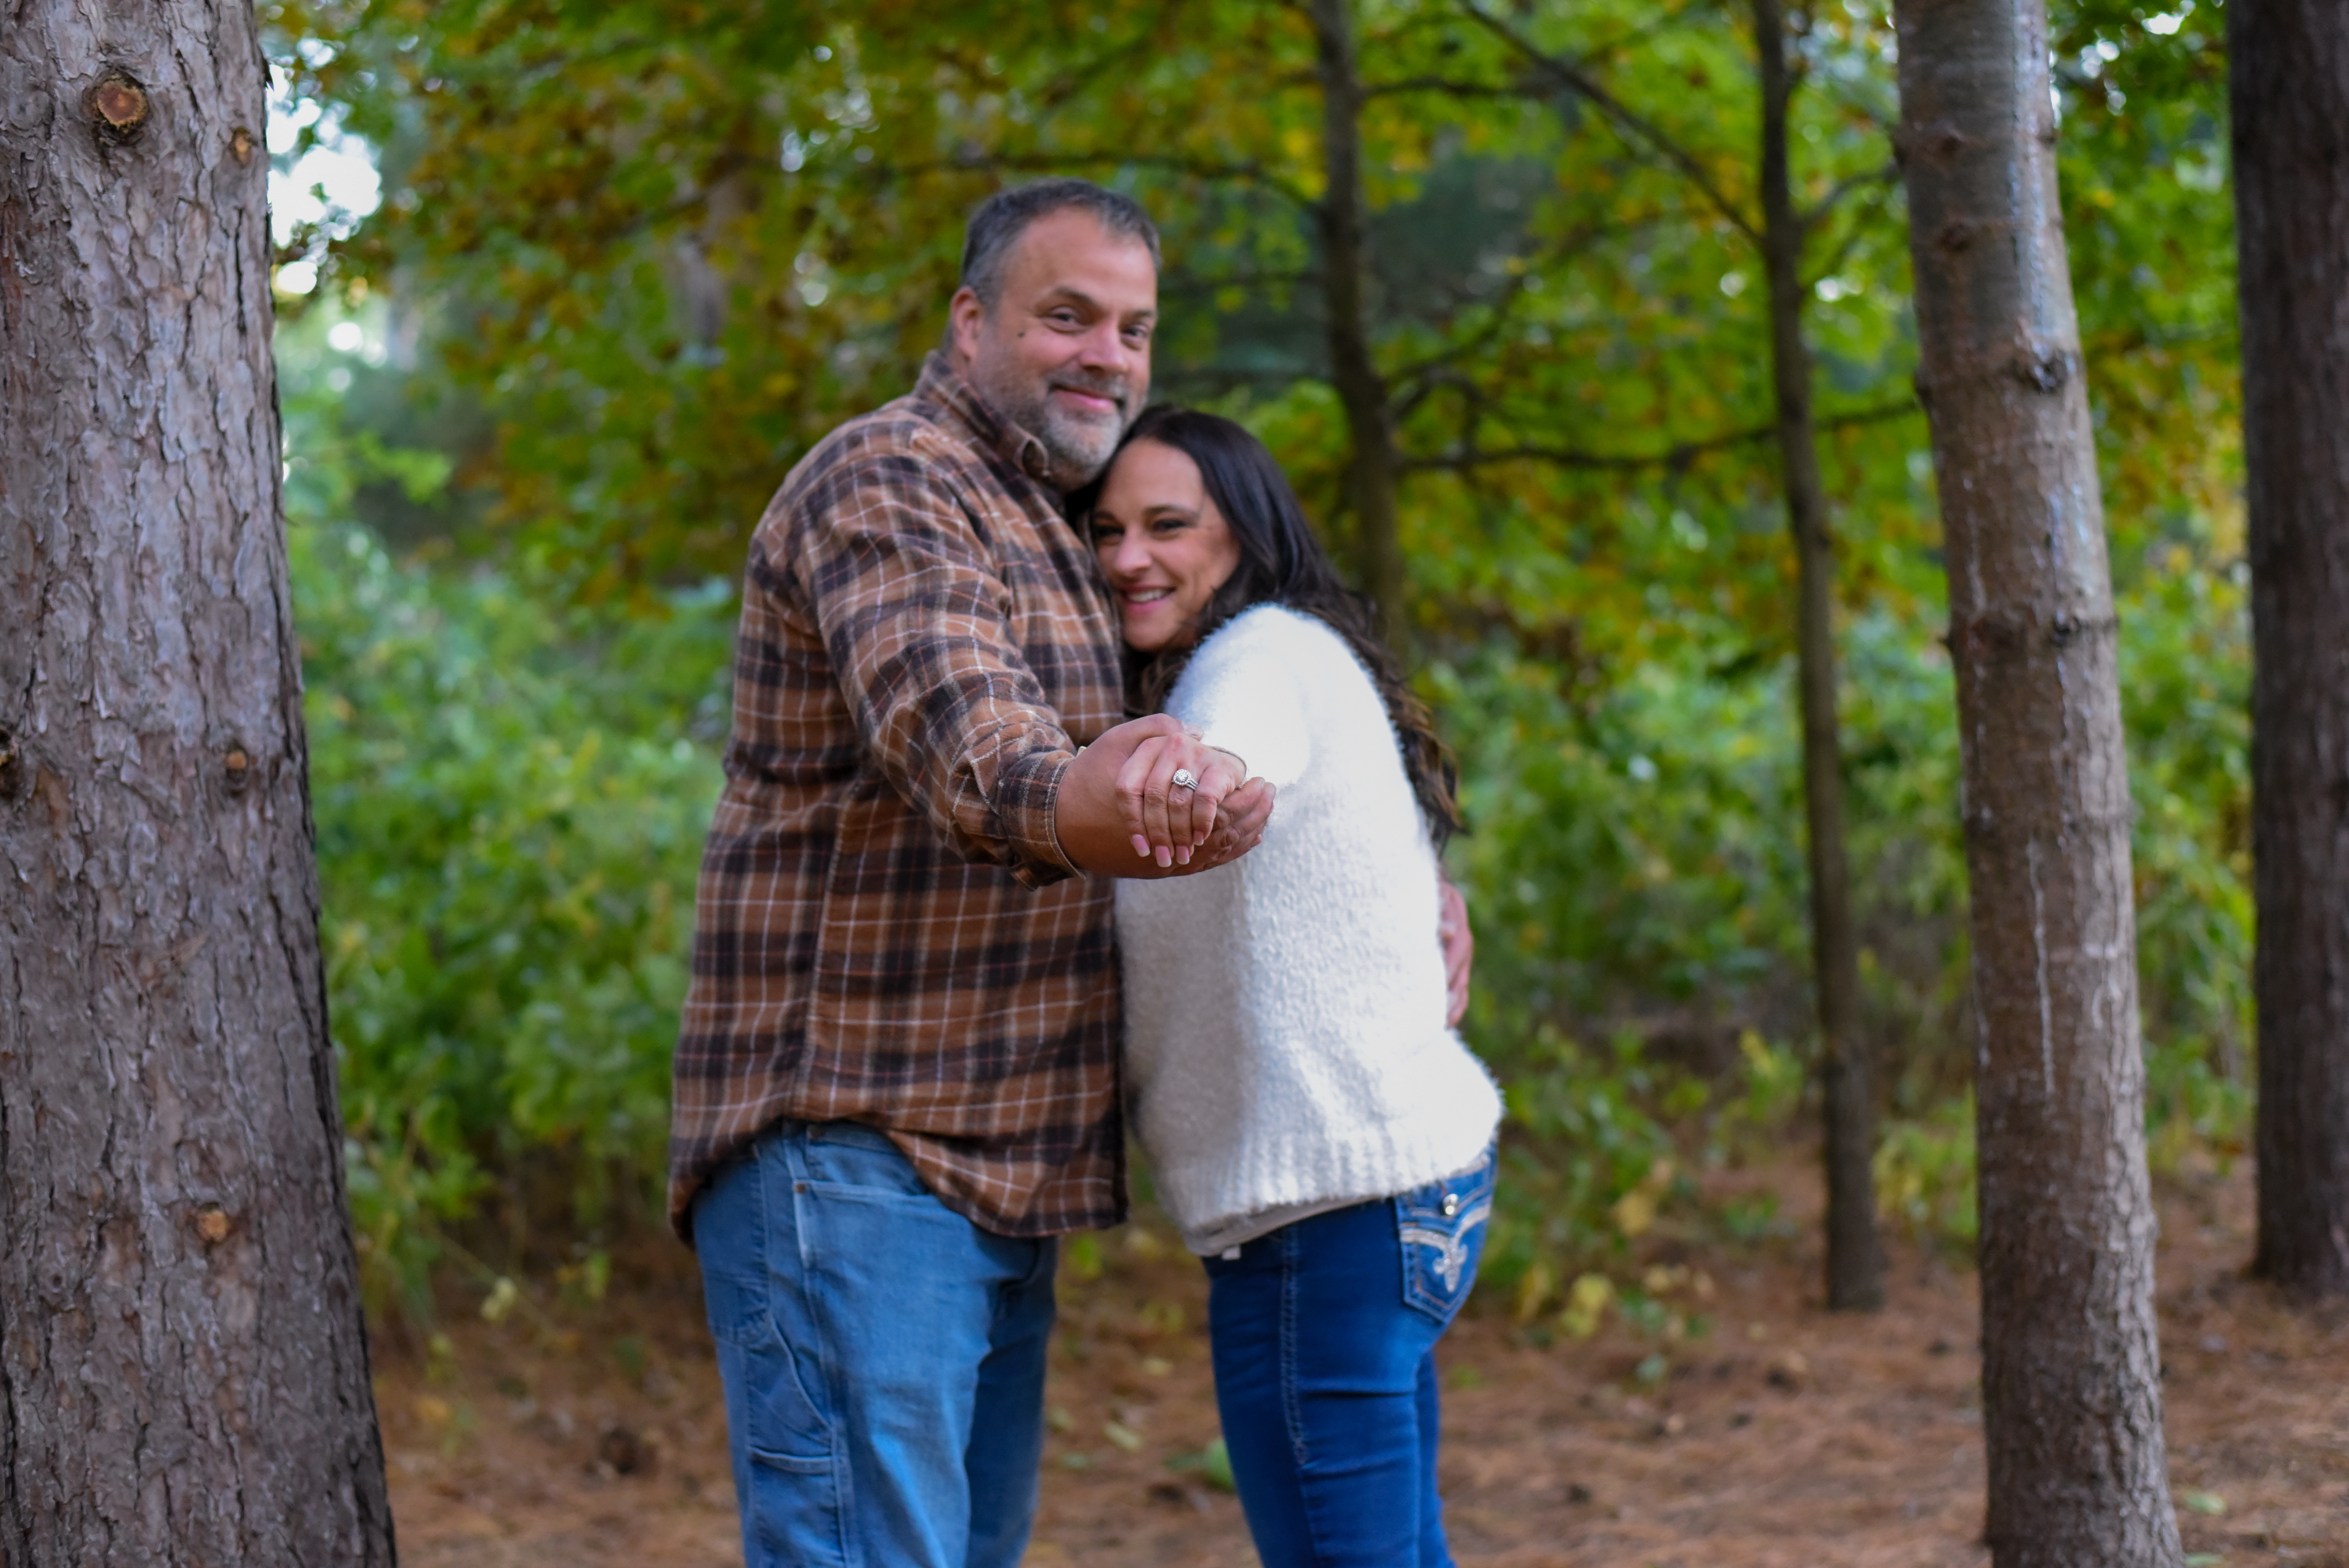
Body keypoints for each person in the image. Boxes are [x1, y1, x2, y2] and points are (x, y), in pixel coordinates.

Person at [670, 182, 1285, 1568]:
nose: (1108, 356)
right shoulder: (894, 478)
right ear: (969, 322)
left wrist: (1410, 881)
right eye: (1068, 316)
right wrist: (1102, 796)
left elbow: (1245, 718)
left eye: (1135, 329)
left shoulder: (1074, 530)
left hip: (1007, 1170)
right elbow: (968, 741)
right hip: (859, 1154)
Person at [1087, 406, 1502, 1566]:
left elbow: (1241, 743)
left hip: (1325, 1225)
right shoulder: (1278, 655)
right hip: (1394, 1196)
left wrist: (1209, 774)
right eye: (1108, 530)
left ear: (1245, 534)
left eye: (1168, 525)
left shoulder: (1255, 659)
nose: (1130, 557)